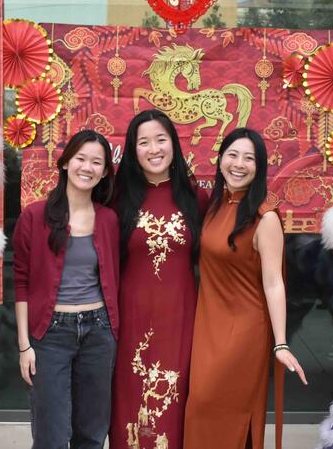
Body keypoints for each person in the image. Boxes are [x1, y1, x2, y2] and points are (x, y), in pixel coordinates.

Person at [183, 128, 307, 449]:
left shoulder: (264, 218)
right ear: (221, 159)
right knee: (199, 409)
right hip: (208, 327)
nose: (239, 164)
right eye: (233, 155)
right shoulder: (214, 207)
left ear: (259, 167)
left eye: (249, 158)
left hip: (242, 333)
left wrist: (280, 343)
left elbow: (274, 283)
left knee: (221, 409)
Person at [13, 130, 120, 449]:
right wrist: (23, 345)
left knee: (91, 432)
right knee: (52, 435)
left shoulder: (109, 220)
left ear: (104, 172)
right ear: (65, 163)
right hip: (50, 336)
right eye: (81, 159)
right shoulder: (34, 215)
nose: (87, 167)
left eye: (96, 162)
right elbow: (21, 281)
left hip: (99, 333)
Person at [109, 110, 207, 449]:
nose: (154, 149)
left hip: (180, 320)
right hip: (129, 321)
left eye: (161, 139)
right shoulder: (116, 200)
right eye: (144, 142)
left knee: (173, 402)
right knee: (129, 403)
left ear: (174, 145)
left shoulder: (197, 199)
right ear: (133, 150)